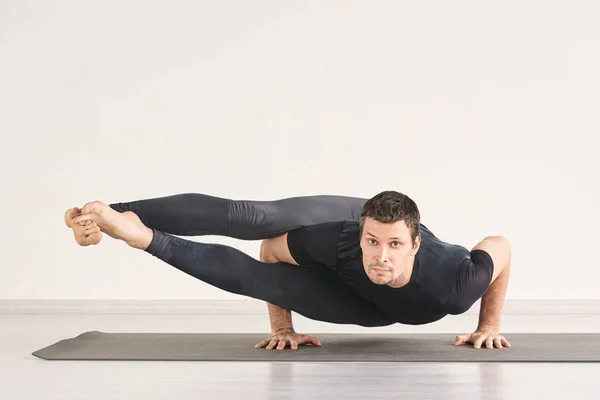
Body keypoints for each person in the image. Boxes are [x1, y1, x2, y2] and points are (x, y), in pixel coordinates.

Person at [64, 191, 512, 351]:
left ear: (415, 244)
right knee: (252, 218)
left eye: (395, 246)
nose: (382, 256)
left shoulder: (455, 284)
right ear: (360, 236)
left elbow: (501, 248)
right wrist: (283, 324)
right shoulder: (341, 239)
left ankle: (123, 225)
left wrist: (488, 323)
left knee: (264, 257)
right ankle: (111, 217)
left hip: (369, 306)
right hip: (346, 247)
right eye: (372, 243)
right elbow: (270, 251)